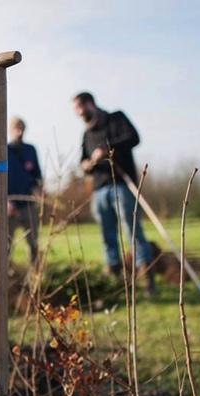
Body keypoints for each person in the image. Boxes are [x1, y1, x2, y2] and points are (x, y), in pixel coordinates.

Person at [73, 92, 156, 296]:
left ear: (90, 104)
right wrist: (87, 164)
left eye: (80, 107)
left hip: (121, 185)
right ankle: (114, 276)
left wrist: (107, 149)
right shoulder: (86, 134)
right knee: (107, 234)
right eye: (76, 109)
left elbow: (134, 138)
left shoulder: (116, 118)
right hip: (99, 189)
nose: (79, 112)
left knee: (132, 230)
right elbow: (82, 161)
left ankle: (146, 276)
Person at [0, 116, 43, 265]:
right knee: (5, 244)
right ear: (9, 130)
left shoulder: (30, 150)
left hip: (28, 205)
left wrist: (37, 191)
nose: (19, 132)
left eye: (22, 128)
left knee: (33, 243)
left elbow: (37, 176)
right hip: (8, 206)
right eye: (16, 128)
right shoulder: (2, 151)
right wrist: (4, 201)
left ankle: (35, 276)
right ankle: (6, 276)